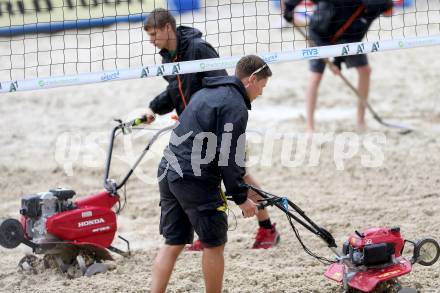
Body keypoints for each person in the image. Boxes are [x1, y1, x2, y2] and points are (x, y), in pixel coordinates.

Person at [143, 8, 280, 249]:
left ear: (167, 28)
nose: (151, 40)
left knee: (240, 174)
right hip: (193, 129)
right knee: (197, 179)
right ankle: (205, 235)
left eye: (154, 34)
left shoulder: (199, 49)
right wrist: (154, 109)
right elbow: (174, 89)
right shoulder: (167, 56)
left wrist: (202, 113)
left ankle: (267, 228)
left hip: (218, 124)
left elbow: (221, 85)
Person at [151, 55, 273, 293]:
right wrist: (240, 197)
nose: (261, 93)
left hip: (168, 169)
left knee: (172, 243)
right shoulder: (235, 106)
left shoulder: (204, 93)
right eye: (262, 86)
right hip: (193, 178)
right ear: (252, 79)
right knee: (214, 245)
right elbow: (230, 157)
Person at [283, 0, 393, 132]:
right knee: (316, 76)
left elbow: (358, 31)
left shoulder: (378, 6)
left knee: (365, 71)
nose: (391, 12)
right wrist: (290, 7)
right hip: (320, 33)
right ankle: (310, 127)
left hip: (347, 37)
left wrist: (338, 60)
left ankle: (360, 120)